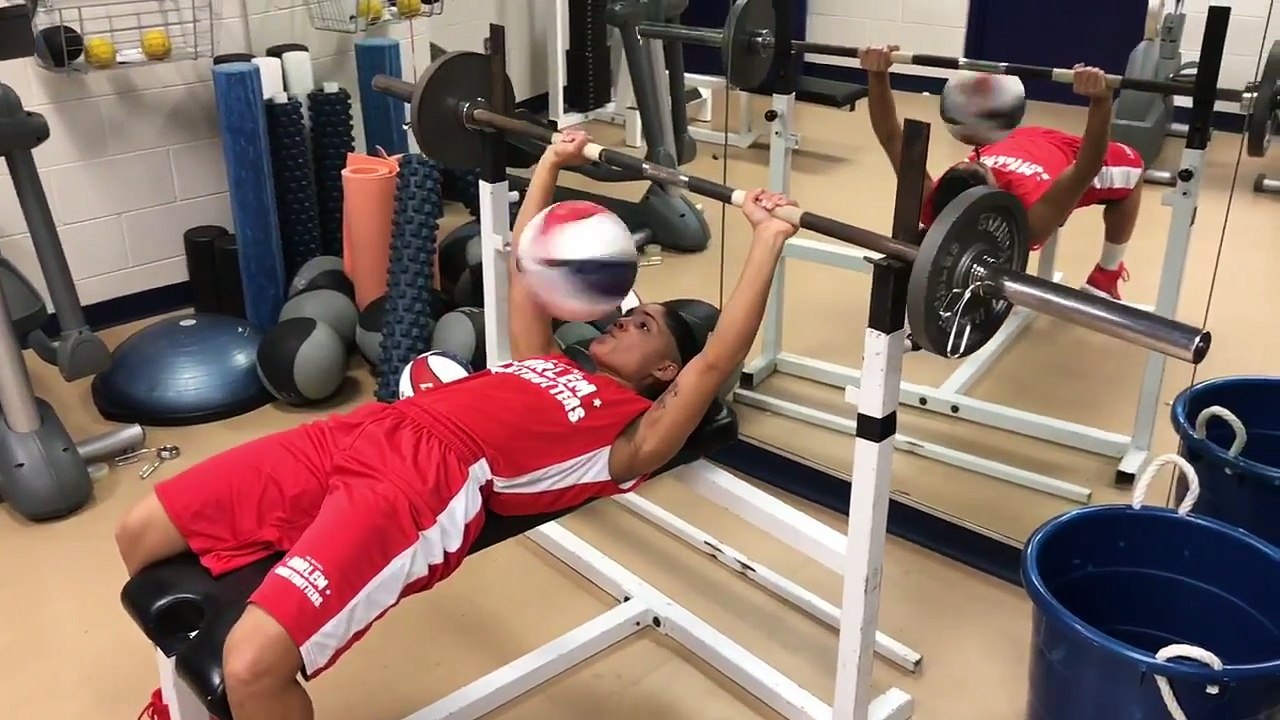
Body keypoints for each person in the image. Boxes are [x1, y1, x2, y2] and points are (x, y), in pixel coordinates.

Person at [116, 129, 801, 720]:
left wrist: (767, 239)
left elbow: (715, 363)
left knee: (250, 664)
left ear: (663, 376)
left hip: (419, 487)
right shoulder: (546, 363)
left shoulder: (629, 437)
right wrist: (553, 167)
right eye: (629, 312)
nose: (623, 317)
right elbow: (527, 270)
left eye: (643, 325)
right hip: (365, 431)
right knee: (141, 529)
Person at [861, 46, 1145, 301]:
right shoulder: (1028, 221)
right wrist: (1100, 100)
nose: (984, 160)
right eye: (983, 168)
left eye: (971, 161)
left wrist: (877, 74)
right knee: (1135, 170)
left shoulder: (929, 203)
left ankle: (1108, 274)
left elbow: (889, 135)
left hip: (1018, 137)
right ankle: (1106, 277)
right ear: (992, 196)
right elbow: (1087, 166)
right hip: (1069, 152)